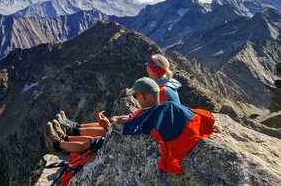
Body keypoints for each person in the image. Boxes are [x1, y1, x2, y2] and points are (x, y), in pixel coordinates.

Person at [47, 77, 214, 174]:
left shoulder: (149, 115)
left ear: (144, 96)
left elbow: (123, 135)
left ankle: (58, 144)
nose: (135, 100)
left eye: (135, 97)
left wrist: (108, 125)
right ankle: (67, 135)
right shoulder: (164, 106)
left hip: (128, 148)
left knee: (90, 143)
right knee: (104, 129)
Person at [56, 54, 182, 138]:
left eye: (148, 64)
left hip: (159, 131)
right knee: (115, 120)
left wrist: (129, 119)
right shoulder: (165, 85)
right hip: (160, 125)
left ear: (152, 69)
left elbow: (154, 115)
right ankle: (74, 127)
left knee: (115, 125)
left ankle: (72, 131)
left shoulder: (162, 90)